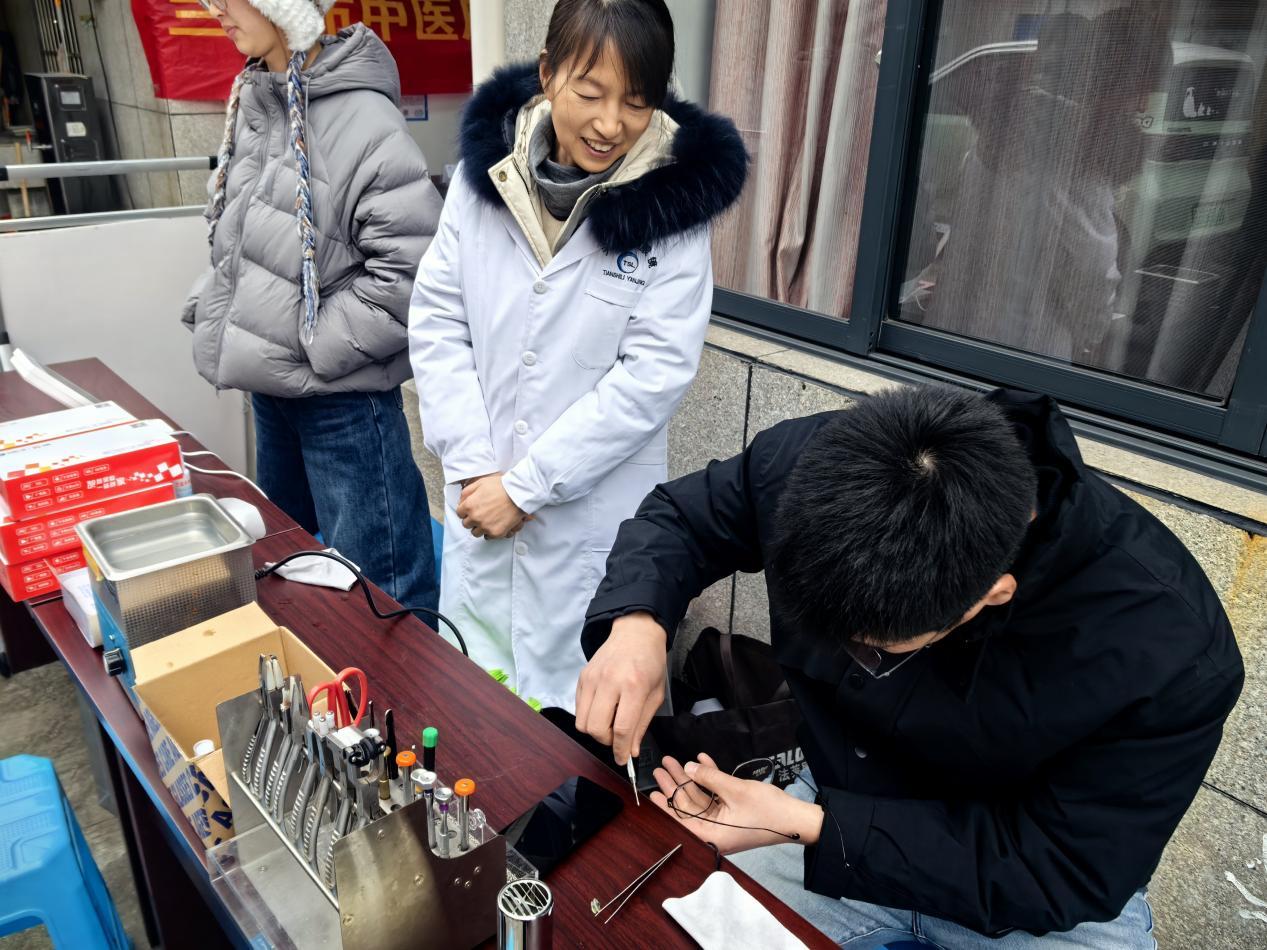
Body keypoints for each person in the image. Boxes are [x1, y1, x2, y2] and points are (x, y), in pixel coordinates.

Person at [576, 385, 1243, 946]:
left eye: (870, 649)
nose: (844, 658)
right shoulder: (817, 465)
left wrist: (812, 827)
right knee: (651, 926)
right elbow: (684, 517)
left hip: (1032, 897)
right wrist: (637, 623)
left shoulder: (1169, 647)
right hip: (832, 806)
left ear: (989, 597)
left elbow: (1066, 867)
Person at [408, 0, 747, 708]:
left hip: (587, 525)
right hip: (480, 500)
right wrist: (474, 464)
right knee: (476, 710)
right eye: (589, 93)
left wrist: (526, 487)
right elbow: (438, 318)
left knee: (580, 729)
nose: (609, 124)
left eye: (636, 102)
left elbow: (651, 376)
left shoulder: (671, 215)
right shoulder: (484, 180)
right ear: (547, 74)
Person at [181, 0, 441, 612]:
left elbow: (412, 274)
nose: (215, 10)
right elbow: (243, 236)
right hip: (273, 391)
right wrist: (214, 305)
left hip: (342, 404)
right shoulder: (258, 97)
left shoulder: (364, 118)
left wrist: (311, 346)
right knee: (287, 571)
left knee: (382, 595)